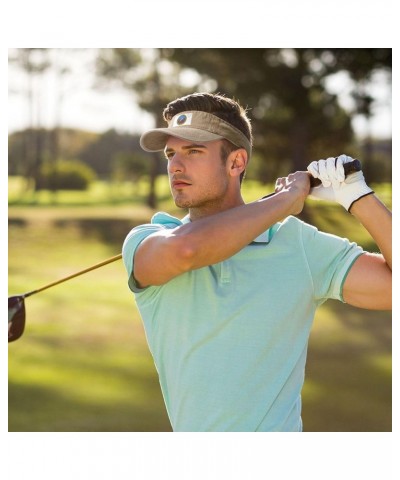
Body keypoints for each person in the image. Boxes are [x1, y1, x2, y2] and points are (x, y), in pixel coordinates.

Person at [122, 92, 392, 432]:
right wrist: (286, 200)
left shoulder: (299, 245)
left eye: (193, 151)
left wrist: (358, 198)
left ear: (236, 162)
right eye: (171, 153)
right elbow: (186, 251)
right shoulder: (149, 238)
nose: (176, 165)